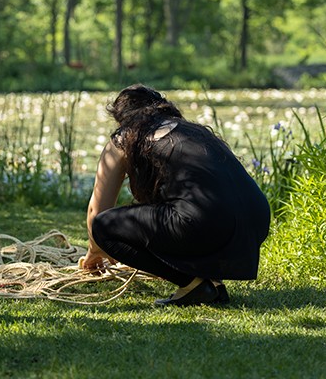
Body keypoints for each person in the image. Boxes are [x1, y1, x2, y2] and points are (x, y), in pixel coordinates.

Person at [80, 85, 271, 306]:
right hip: (256, 220)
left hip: (208, 221)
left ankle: (193, 283)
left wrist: (94, 253)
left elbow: (97, 212)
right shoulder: (192, 130)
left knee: (104, 225)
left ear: (122, 118)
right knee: (183, 215)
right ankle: (210, 280)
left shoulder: (125, 136)